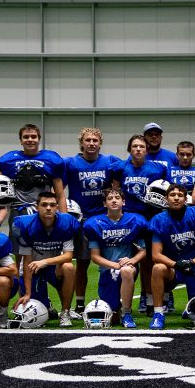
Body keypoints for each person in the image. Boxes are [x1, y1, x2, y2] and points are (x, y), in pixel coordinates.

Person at [63, 127, 120, 317]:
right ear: (81, 143)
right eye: (88, 140)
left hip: (105, 219)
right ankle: (79, 303)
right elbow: (57, 187)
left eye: (95, 140)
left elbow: (125, 173)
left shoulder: (110, 161)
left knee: (112, 262)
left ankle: (114, 301)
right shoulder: (70, 163)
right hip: (82, 219)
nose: (91, 143)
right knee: (82, 263)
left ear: (100, 143)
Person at [114, 133, 169, 313]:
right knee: (125, 261)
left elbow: (161, 193)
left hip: (148, 219)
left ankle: (148, 298)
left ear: (147, 150)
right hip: (126, 221)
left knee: (148, 261)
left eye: (142, 147)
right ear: (129, 149)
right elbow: (114, 193)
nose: (138, 149)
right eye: (135, 146)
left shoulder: (156, 169)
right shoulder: (120, 168)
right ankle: (119, 300)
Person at [148, 183, 195, 329]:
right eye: (172, 195)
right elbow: (156, 255)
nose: (176, 198)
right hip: (174, 268)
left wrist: (192, 262)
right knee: (158, 268)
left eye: (180, 195)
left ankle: (190, 308)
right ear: (166, 199)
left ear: (185, 199)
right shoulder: (159, 220)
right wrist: (176, 264)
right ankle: (158, 313)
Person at [82, 187, 148, 328]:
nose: (114, 201)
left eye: (117, 198)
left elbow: (143, 251)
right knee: (112, 315)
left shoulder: (134, 221)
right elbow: (95, 256)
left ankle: (127, 313)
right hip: (107, 270)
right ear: (105, 204)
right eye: (110, 198)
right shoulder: (95, 224)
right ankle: (118, 311)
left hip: (127, 268)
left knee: (127, 271)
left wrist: (132, 261)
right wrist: (114, 265)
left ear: (123, 202)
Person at [13, 192, 79, 327]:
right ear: (37, 207)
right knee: (34, 309)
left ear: (57, 208)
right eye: (44, 205)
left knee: (69, 267)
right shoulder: (25, 225)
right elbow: (26, 262)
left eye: (52, 205)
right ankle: (46, 303)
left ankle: (65, 312)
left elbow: (68, 256)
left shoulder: (66, 223)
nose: (48, 208)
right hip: (33, 267)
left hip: (53, 266)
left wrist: (45, 261)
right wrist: (27, 293)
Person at [0, 123, 66, 219]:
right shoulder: (10, 160)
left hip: (43, 210)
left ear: (38, 139)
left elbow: (60, 195)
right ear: (21, 141)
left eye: (33, 137)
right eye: (26, 137)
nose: (30, 140)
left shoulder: (51, 160)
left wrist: (64, 219)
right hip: (18, 211)